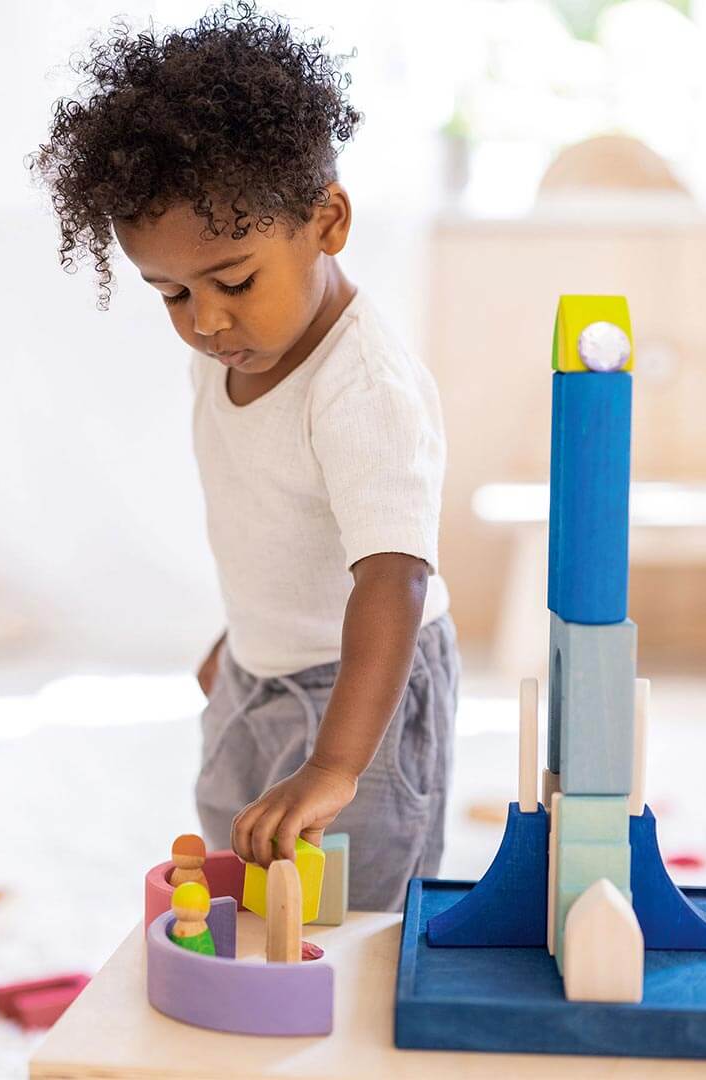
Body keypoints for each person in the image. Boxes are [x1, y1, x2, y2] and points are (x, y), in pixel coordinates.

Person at [28, 1, 460, 912]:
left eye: (234, 281)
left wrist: (337, 764)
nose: (207, 320)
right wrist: (245, 638)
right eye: (173, 293)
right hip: (258, 668)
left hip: (364, 687)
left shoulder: (364, 389)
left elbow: (393, 577)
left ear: (327, 221)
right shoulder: (230, 350)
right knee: (240, 865)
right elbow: (273, 513)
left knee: (354, 906)